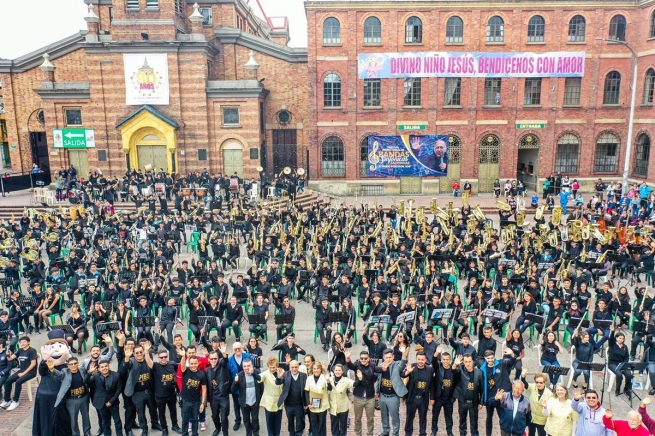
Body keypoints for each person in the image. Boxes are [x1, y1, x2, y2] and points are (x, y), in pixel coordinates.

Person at [144, 341, 180, 436]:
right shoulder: (155, 365)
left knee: (173, 411)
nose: (164, 359)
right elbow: (148, 361)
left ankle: (175, 425)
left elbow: (181, 368)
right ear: (158, 358)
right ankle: (164, 429)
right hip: (159, 396)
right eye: (161, 357)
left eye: (165, 357)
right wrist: (146, 351)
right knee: (161, 413)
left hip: (172, 394)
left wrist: (185, 356)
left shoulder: (172, 364)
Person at [345, 347, 381, 436]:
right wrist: (348, 358)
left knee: (370, 418)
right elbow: (350, 366)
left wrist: (386, 366)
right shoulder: (357, 364)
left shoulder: (372, 365)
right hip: (358, 396)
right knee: (357, 418)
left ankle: (370, 434)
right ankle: (358, 434)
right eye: (362, 358)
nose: (363, 360)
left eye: (365, 358)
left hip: (370, 397)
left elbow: (380, 370)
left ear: (368, 358)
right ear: (359, 358)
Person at [86, 360, 123, 436]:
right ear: (99, 369)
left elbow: (119, 389)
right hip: (101, 403)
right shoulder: (96, 376)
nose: (104, 368)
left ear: (109, 366)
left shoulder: (116, 375)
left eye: (106, 366)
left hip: (113, 402)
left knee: (117, 421)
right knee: (105, 422)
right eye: (102, 367)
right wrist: (90, 373)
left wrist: (111, 401)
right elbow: (85, 381)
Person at [378, 347, 409, 436]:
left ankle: (395, 433)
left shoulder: (396, 364)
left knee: (394, 417)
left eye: (390, 357)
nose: (388, 359)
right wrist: (377, 393)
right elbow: (378, 380)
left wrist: (403, 353)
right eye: (386, 357)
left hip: (393, 396)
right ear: (383, 357)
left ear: (393, 357)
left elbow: (402, 364)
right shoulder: (381, 366)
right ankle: (385, 431)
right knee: (384, 415)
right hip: (383, 395)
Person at [403, 351, 435, 436]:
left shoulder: (430, 369)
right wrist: (407, 372)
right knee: (409, 417)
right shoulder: (411, 367)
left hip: (423, 398)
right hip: (412, 398)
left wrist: (432, 397)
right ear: (416, 359)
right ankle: (408, 433)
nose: (420, 361)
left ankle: (422, 432)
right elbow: (403, 375)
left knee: (423, 417)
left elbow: (432, 384)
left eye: (422, 359)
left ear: (425, 360)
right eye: (419, 359)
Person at [1, 336, 37, 411]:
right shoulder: (20, 350)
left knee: (18, 382)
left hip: (31, 372)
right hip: (22, 370)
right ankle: (7, 400)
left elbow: (33, 364)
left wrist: (24, 373)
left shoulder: (32, 351)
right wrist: (8, 354)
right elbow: (10, 358)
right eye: (21, 342)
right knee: (8, 381)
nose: (22, 343)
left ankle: (15, 401)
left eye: (24, 342)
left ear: (28, 342)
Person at [179, 349, 208, 436]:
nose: (193, 365)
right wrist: (183, 355)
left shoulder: (202, 374)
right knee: (185, 420)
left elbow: (204, 389)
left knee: (195, 419)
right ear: (189, 363)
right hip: (185, 400)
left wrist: (202, 403)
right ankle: (185, 434)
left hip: (196, 401)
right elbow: (182, 365)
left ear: (198, 363)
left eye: (195, 363)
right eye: (191, 364)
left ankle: (195, 434)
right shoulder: (185, 371)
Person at [276, 359, 308, 436]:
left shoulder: (303, 375)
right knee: (290, 420)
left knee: (300, 420)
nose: (294, 369)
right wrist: (279, 378)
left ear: (298, 367)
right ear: (289, 367)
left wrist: (306, 403)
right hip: (289, 403)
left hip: (299, 403)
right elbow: (278, 383)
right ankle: (291, 433)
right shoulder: (286, 374)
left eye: (296, 367)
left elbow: (306, 390)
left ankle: (299, 433)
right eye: (292, 367)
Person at [453, 353, 483, 436]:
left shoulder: (479, 373)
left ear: (473, 361)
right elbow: (452, 374)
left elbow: (482, 389)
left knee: (474, 422)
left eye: (469, 361)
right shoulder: (460, 370)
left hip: (474, 402)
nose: (468, 364)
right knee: (462, 422)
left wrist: (481, 402)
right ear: (463, 362)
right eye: (466, 362)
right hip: (462, 401)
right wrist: (455, 365)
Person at [231, 358, 262, 436]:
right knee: (246, 420)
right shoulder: (239, 375)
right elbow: (232, 390)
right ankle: (249, 433)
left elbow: (262, 387)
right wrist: (235, 382)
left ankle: (256, 433)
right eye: (244, 366)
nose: (246, 368)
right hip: (244, 403)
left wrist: (260, 399)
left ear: (252, 365)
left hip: (255, 402)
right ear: (242, 366)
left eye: (248, 366)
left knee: (255, 419)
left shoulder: (257, 373)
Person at [206, 347, 231, 436]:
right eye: (211, 358)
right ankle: (218, 427)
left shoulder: (222, 365)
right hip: (213, 397)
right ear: (209, 359)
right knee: (215, 416)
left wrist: (224, 354)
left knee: (224, 417)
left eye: (215, 358)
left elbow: (225, 361)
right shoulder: (207, 370)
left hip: (223, 395)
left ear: (218, 358)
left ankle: (225, 432)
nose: (213, 360)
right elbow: (208, 387)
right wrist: (208, 400)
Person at [227, 342, 252, 431]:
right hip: (236, 387)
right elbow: (229, 375)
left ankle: (249, 421)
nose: (237, 350)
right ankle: (237, 421)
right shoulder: (229, 360)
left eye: (239, 348)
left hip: (248, 386)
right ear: (233, 350)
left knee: (248, 404)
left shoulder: (247, 356)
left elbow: (252, 369)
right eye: (235, 349)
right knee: (236, 405)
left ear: (242, 348)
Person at [521, 370, 553, 436]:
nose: (538, 384)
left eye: (541, 382)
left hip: (542, 420)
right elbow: (525, 384)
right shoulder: (533, 387)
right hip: (532, 418)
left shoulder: (549, 394)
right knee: (531, 434)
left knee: (541, 434)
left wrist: (545, 406)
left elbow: (550, 409)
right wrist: (523, 377)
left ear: (545, 382)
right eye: (537, 382)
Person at [328, 363, 355, 436]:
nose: (337, 372)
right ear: (333, 371)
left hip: (343, 406)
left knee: (343, 425)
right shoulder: (329, 379)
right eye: (336, 370)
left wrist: (360, 377)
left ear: (343, 371)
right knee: (334, 425)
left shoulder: (346, 380)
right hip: (333, 406)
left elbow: (355, 384)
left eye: (339, 370)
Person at [260, 356, 284, 436]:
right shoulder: (266, 373)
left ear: (277, 366)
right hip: (269, 401)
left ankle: (277, 434)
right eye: (270, 367)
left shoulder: (281, 372)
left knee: (278, 420)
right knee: (269, 421)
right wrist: (253, 373)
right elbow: (259, 378)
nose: (272, 369)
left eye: (273, 367)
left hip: (279, 400)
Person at [305, 360, 330, 436]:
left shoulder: (324, 377)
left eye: (318, 368)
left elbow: (330, 388)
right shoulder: (309, 378)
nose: (316, 370)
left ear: (320, 369)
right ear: (312, 369)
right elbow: (306, 391)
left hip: (323, 405)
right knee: (314, 423)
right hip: (313, 406)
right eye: (314, 368)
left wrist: (328, 380)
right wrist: (308, 404)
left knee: (322, 424)